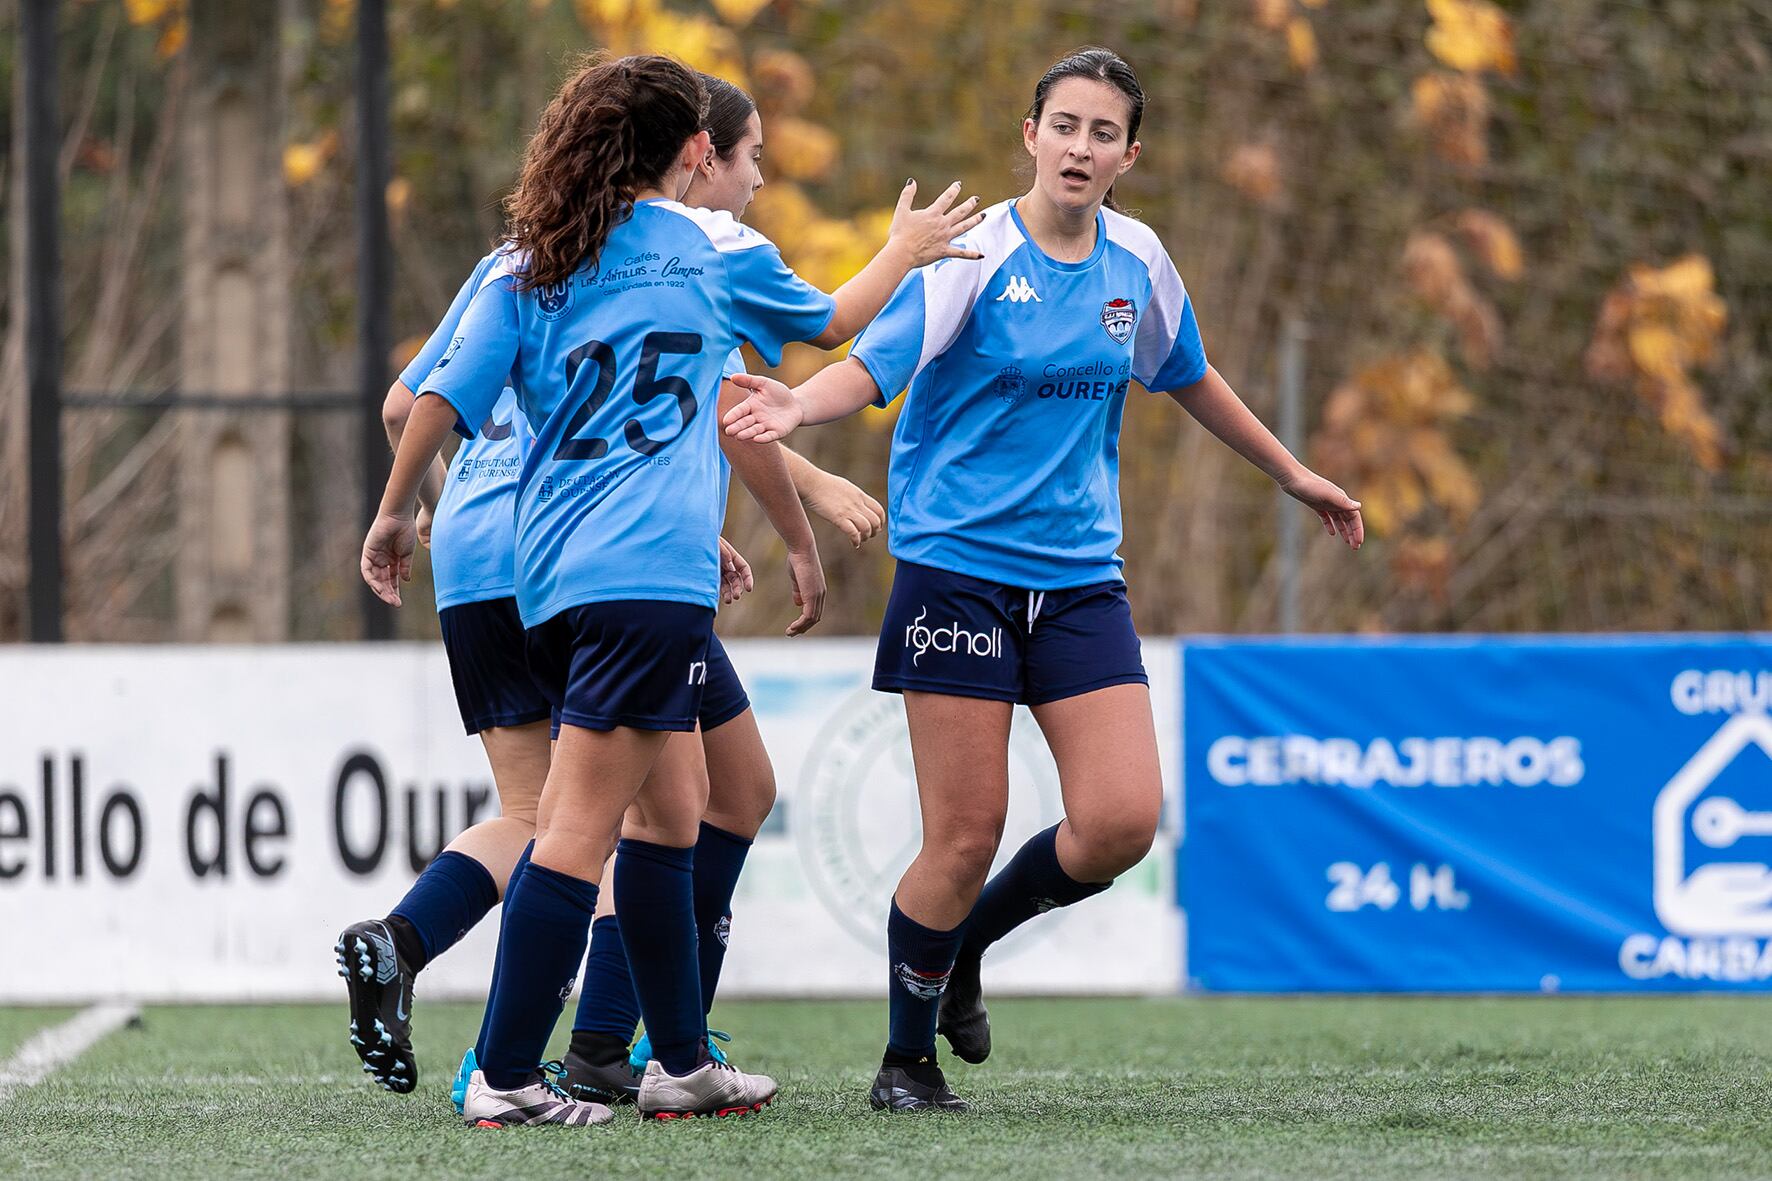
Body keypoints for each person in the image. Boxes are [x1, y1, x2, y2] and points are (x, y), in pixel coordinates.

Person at [723, 46, 1365, 1113]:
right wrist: (796, 406)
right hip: (957, 577)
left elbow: (1189, 376)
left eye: (1101, 131)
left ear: (1128, 154)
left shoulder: (1139, 262)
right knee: (963, 833)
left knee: (1118, 821)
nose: (1079, 146)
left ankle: (961, 952)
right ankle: (904, 1060)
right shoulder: (971, 258)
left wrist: (1293, 474)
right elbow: (870, 364)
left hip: (1078, 582)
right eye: (1062, 125)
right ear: (1030, 136)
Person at [361, 53, 975, 1127]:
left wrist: (395, 508)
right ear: (693, 150)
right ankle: (509, 1075)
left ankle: (672, 1058)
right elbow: (829, 325)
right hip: (645, 574)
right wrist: (903, 252)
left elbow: (433, 397)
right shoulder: (707, 251)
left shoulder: (533, 262)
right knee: (578, 827)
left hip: (543, 581)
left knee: (677, 808)